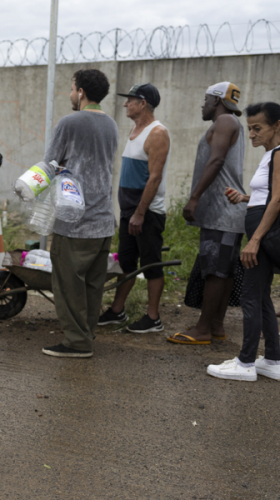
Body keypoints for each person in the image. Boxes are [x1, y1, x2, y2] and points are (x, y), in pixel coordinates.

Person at [41, 69, 119, 358]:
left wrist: (28, 187)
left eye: (72, 89)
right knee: (92, 284)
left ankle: (77, 342)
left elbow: (50, 164)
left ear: (81, 92)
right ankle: (86, 333)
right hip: (103, 221)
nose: (71, 94)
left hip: (74, 221)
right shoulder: (110, 124)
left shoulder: (70, 122)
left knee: (67, 283)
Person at [167, 82, 245, 345]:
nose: (202, 105)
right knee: (223, 271)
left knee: (215, 271)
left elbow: (216, 160)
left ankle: (202, 330)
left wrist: (194, 198)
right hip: (227, 212)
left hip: (223, 212)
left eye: (205, 99)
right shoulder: (230, 121)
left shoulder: (224, 120)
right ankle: (215, 325)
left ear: (216, 100)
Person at [207, 102, 280, 381]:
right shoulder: (271, 154)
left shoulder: (278, 154)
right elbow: (270, 194)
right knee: (260, 297)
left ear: (278, 125)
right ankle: (273, 360)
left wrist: (255, 240)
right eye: (249, 128)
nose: (251, 134)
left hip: (264, 233)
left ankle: (245, 363)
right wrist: (246, 197)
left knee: (251, 295)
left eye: (257, 128)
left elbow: (277, 199)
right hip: (263, 227)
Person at [98, 84, 170, 333]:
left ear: (143, 103)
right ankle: (117, 311)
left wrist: (140, 213)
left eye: (130, 100)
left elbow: (155, 178)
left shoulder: (157, 133)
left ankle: (153, 318)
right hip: (130, 211)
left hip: (146, 213)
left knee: (151, 263)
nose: (125, 104)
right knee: (127, 262)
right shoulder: (135, 129)